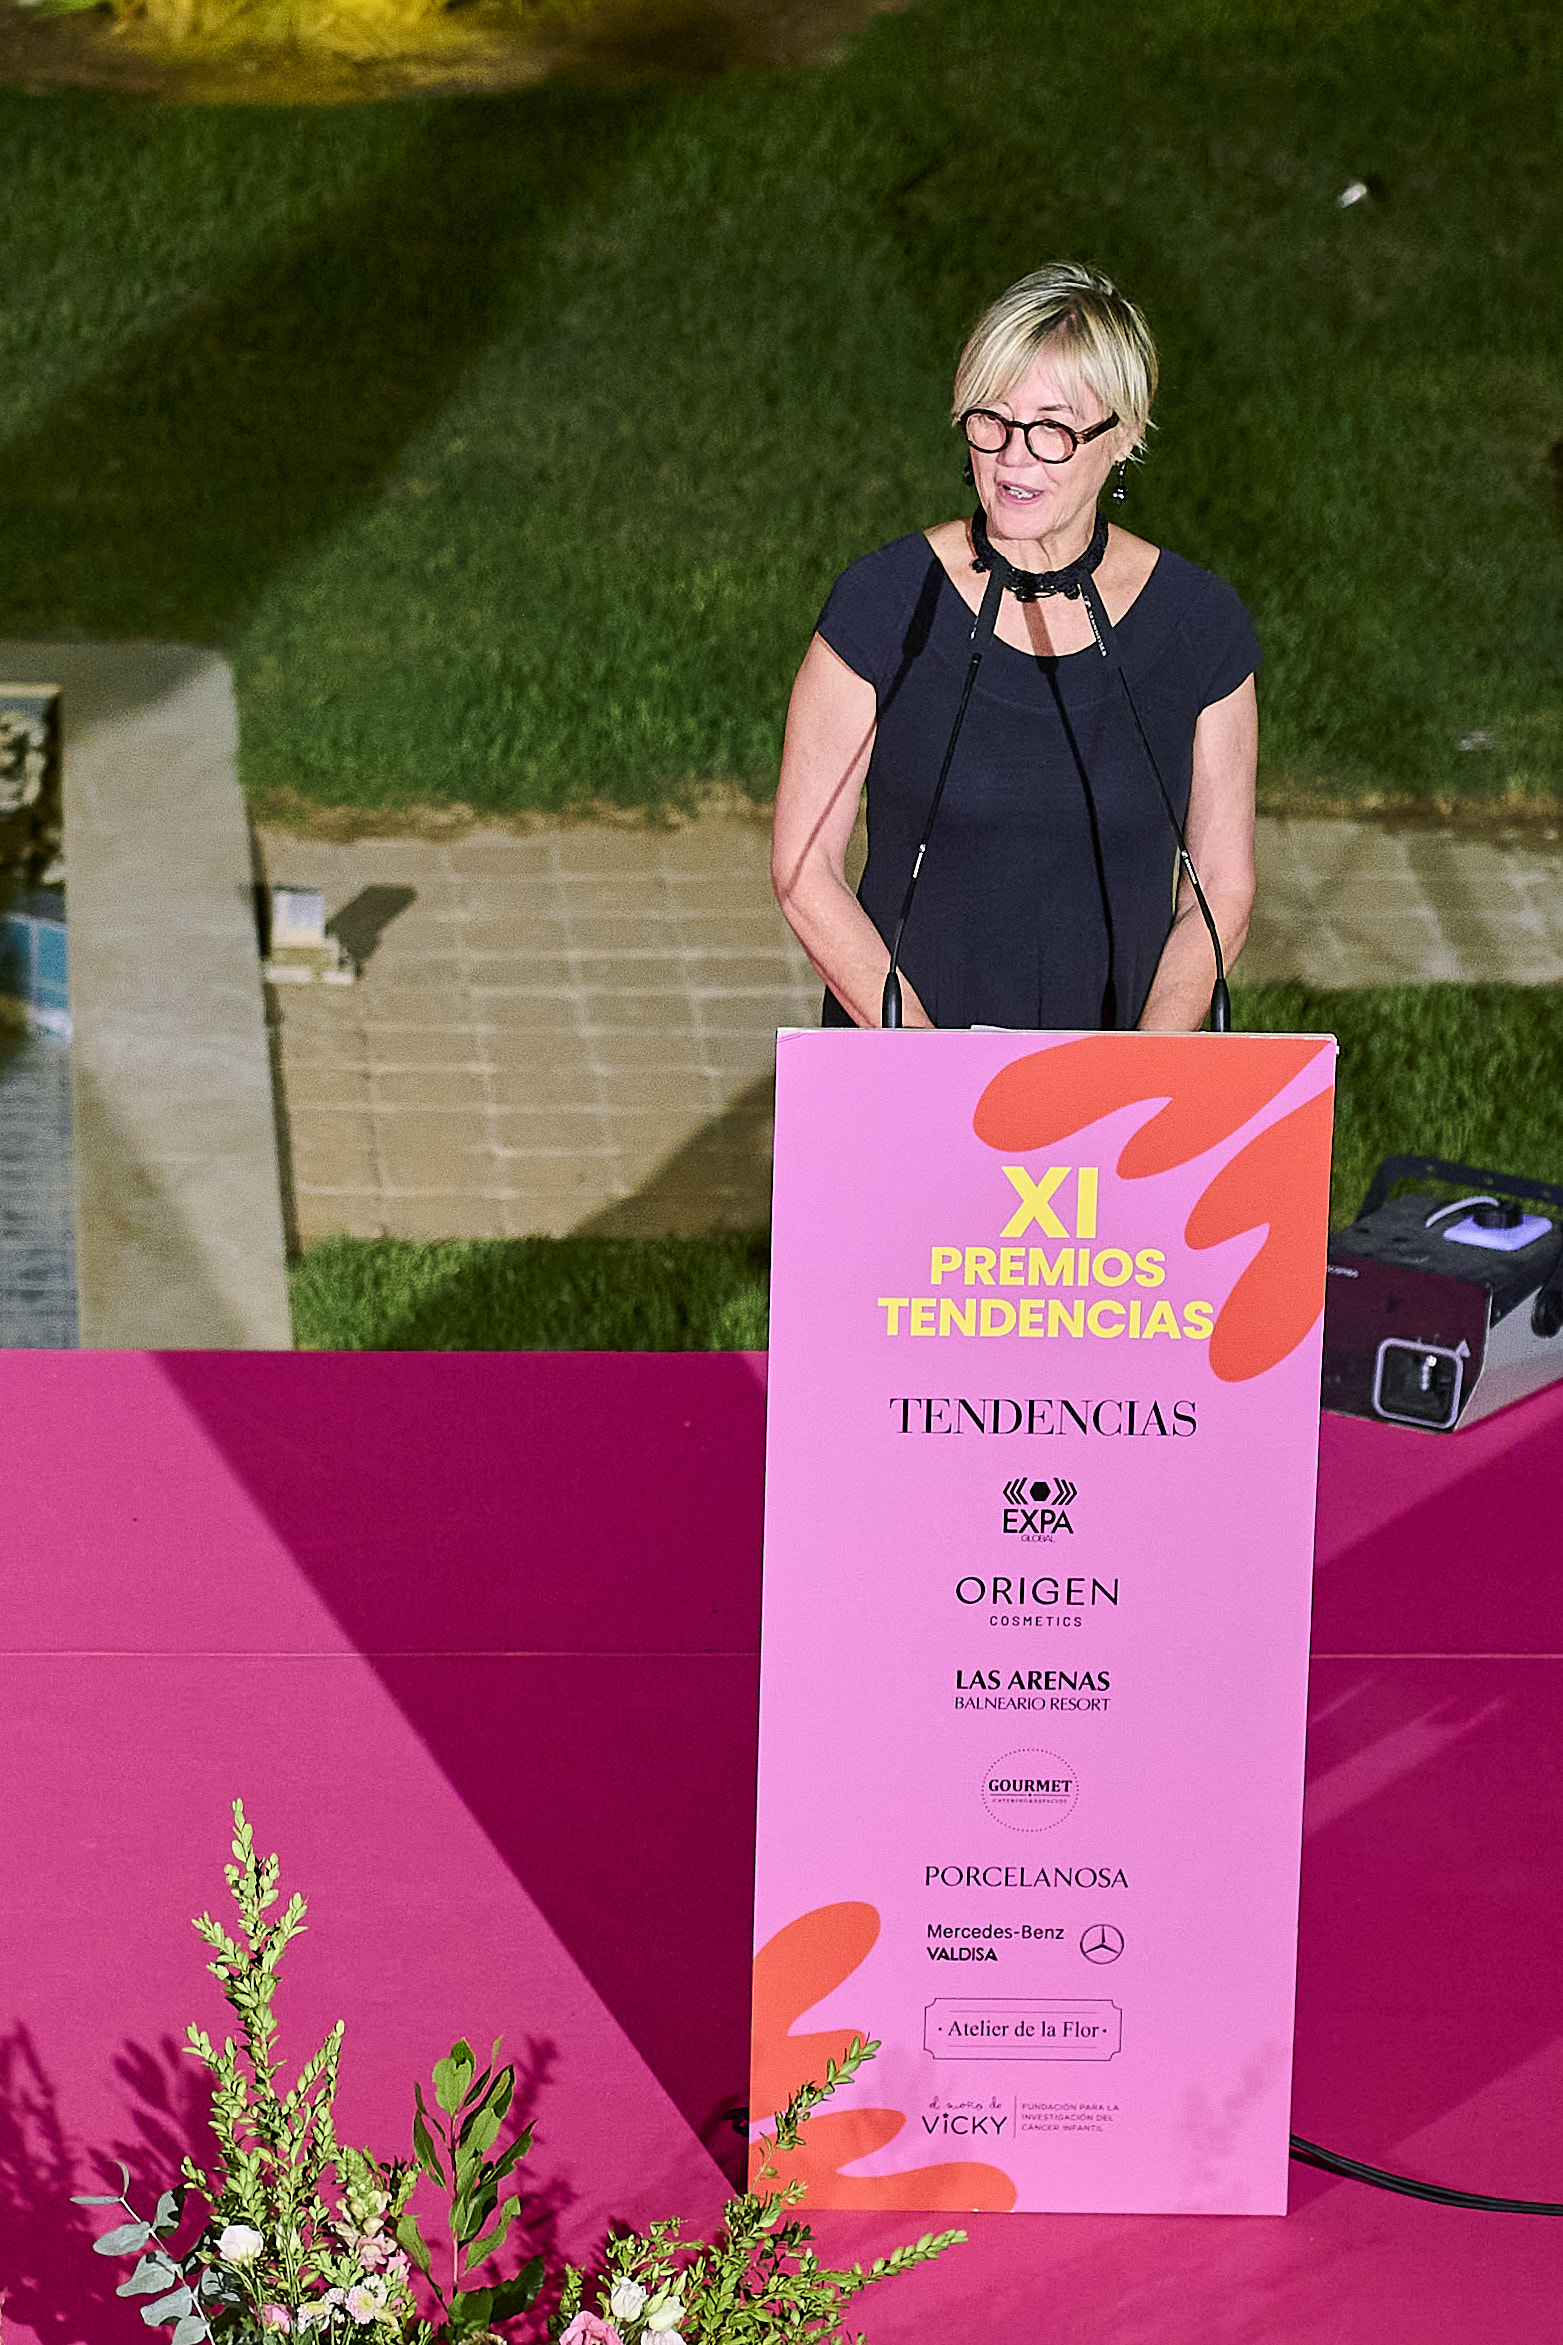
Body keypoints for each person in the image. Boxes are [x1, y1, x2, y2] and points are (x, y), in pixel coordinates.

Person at [771, 262, 1259, 1033]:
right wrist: (929, 1064)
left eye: (1052, 430)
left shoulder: (1198, 626)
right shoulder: (883, 606)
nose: (1011, 457)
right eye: (991, 421)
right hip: (909, 1058)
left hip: (1115, 1078)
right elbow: (804, 871)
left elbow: (1221, 891)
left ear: (1123, 436)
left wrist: (1146, 1064)